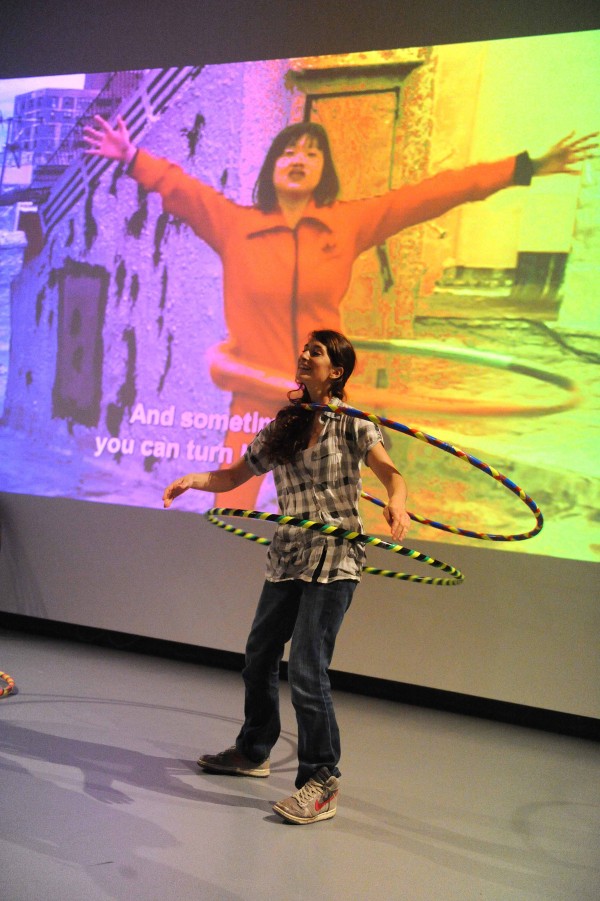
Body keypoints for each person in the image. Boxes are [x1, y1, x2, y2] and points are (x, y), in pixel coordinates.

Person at [83, 115, 597, 508]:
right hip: (255, 395)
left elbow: (431, 196)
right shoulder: (234, 227)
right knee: (232, 509)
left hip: (323, 403)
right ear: (272, 166)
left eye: (312, 152)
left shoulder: (345, 226)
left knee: (323, 521)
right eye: (288, 151)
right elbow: (180, 188)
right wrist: (130, 155)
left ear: (324, 169)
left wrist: (523, 167)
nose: (299, 158)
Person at [162, 329, 410, 824]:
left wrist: (398, 503)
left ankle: (321, 780)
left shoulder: (355, 425)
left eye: (314, 353)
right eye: (303, 349)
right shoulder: (284, 427)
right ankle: (253, 751)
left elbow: (390, 475)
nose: (302, 355)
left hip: (336, 556)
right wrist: (194, 479)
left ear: (336, 371)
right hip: (289, 554)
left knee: (306, 668)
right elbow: (233, 477)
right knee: (258, 657)